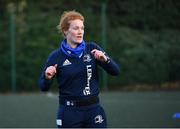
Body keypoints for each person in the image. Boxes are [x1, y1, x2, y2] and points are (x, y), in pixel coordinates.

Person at [39, 10, 120, 128]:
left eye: (82, 28)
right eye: (76, 28)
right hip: (69, 113)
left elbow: (116, 71)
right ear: (65, 30)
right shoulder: (56, 56)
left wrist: (105, 60)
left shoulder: (92, 48)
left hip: (94, 111)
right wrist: (47, 77)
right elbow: (43, 87)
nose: (80, 32)